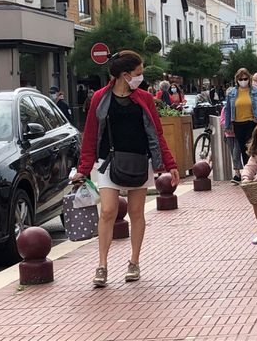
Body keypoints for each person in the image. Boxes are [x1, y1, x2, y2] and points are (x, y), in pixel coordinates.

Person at [70, 50, 179, 287]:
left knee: (136, 212)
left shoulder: (144, 98)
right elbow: (90, 136)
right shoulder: (100, 98)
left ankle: (134, 261)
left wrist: (169, 164)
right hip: (107, 162)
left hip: (139, 160)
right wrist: (83, 168)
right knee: (108, 210)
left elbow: (157, 134)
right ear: (125, 74)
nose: (141, 77)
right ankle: (102, 265)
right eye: (138, 73)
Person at [224, 68, 257, 182]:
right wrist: (227, 125)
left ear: (249, 79)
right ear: (237, 80)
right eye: (240, 79)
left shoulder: (255, 91)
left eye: (245, 78)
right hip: (237, 124)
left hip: (252, 123)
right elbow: (227, 110)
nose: (243, 81)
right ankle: (248, 172)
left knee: (251, 147)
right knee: (242, 148)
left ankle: (251, 172)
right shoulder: (232, 93)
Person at [220, 105, 243, 184]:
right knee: (233, 155)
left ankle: (240, 174)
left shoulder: (239, 107)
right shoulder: (225, 108)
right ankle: (237, 173)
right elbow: (222, 120)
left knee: (236, 153)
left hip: (239, 134)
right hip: (229, 135)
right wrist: (228, 126)